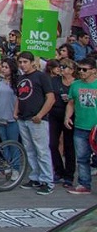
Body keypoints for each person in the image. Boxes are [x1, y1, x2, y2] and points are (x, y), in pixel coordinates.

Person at [16, 51, 56, 195]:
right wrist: (16, 112)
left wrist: (40, 115)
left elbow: (50, 98)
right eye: (20, 62)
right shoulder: (20, 78)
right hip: (23, 118)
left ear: (32, 62)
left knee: (42, 150)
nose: (22, 65)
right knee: (30, 150)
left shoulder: (41, 76)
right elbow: (19, 96)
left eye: (25, 62)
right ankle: (36, 177)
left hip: (37, 119)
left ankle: (47, 180)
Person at [64, 57, 97, 194]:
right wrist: (67, 116)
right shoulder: (75, 84)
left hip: (95, 127)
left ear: (94, 71)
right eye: (79, 69)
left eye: (85, 69)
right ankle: (84, 185)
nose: (81, 72)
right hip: (80, 126)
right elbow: (71, 102)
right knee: (82, 158)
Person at [50, 57, 76, 188]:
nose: (61, 69)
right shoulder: (54, 80)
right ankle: (59, 170)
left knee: (69, 146)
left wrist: (70, 100)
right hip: (55, 114)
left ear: (71, 70)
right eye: (60, 66)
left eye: (64, 67)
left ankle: (69, 176)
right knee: (52, 144)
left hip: (72, 116)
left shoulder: (76, 83)